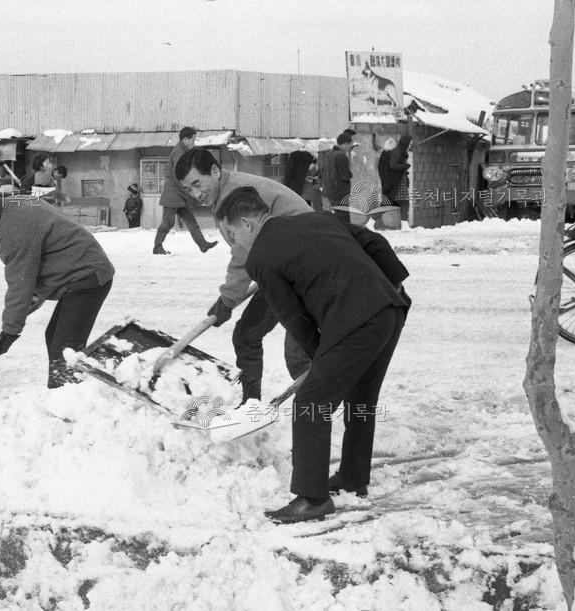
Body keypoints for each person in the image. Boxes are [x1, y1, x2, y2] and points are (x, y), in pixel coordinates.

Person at [215, 186, 410, 524]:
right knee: (360, 397)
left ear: (247, 223)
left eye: (231, 235)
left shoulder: (262, 256)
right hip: (389, 310)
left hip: (356, 321)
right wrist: (394, 282)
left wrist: (319, 355)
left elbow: (294, 317)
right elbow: (374, 242)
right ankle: (352, 476)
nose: (234, 245)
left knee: (309, 404)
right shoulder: (318, 219)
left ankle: (312, 498)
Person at [175, 147, 311, 404]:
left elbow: (243, 253)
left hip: (306, 268)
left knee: (299, 351)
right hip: (277, 270)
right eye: (188, 189)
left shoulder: (234, 194)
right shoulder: (223, 193)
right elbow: (248, 250)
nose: (195, 194)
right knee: (247, 335)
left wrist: (227, 300)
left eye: (197, 184)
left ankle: (314, 412)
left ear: (215, 171)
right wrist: (229, 299)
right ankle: (250, 405)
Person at [0, 197, 114, 388]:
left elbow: (21, 284)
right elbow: (32, 285)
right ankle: (69, 391)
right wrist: (9, 330)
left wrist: (10, 331)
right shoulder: (13, 204)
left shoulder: (13, 228)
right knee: (55, 338)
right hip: (82, 271)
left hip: (86, 276)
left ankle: (66, 399)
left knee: (63, 349)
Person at [153, 126, 219, 255]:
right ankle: (157, 246)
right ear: (185, 139)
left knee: (191, 221)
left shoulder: (183, 151)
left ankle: (203, 244)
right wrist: (192, 193)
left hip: (179, 194)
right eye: (193, 140)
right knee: (168, 223)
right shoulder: (179, 153)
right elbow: (181, 176)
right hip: (173, 194)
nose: (194, 143)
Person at [320, 132, 355, 222]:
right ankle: (346, 235)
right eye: (349, 145)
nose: (349, 148)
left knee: (336, 220)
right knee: (344, 220)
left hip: (330, 191)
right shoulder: (341, 156)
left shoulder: (330, 154)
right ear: (345, 144)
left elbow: (323, 171)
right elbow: (345, 176)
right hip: (340, 193)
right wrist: (350, 173)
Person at [378, 135, 412, 213]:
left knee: (394, 206)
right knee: (389, 206)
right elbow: (384, 171)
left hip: (394, 186)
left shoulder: (395, 154)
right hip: (390, 186)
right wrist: (386, 185)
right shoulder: (386, 155)